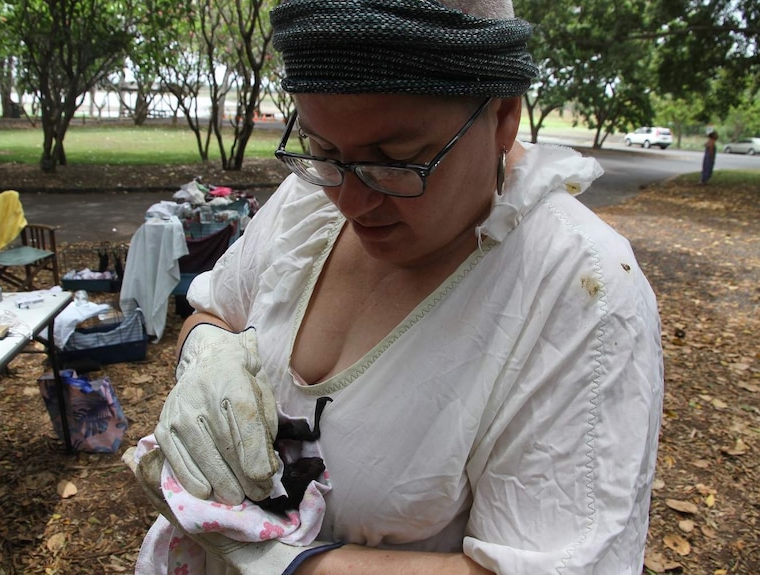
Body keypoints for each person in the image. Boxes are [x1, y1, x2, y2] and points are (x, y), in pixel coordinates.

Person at [131, 0, 664, 573]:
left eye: (397, 161)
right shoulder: (310, 202)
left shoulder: (581, 290)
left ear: (504, 116)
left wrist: (287, 563)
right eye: (323, 151)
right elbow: (214, 311)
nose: (351, 201)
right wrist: (205, 355)